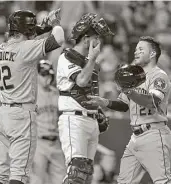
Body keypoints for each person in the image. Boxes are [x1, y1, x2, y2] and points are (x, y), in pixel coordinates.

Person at [83, 36, 171, 184]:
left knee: (162, 180)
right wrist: (104, 102)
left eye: (141, 49)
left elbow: (152, 102)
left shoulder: (159, 76)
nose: (136, 52)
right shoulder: (134, 76)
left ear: (152, 54)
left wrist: (128, 89)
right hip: (136, 136)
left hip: (155, 134)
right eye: (136, 49)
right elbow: (123, 105)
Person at [0, 9, 64, 184]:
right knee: (19, 173)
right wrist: (55, 24)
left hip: (4, 114)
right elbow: (58, 39)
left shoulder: (0, 48)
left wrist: (42, 26)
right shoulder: (25, 48)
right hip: (22, 115)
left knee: (1, 171)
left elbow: (26, 38)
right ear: (27, 30)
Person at [56, 13, 113, 184]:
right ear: (86, 39)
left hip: (90, 120)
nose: (99, 42)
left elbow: (88, 92)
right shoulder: (67, 57)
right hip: (73, 119)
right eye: (96, 37)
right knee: (76, 172)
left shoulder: (90, 62)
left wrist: (98, 110)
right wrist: (93, 58)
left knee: (87, 175)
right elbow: (81, 81)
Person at [30, 60, 66, 184]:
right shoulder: (31, 94)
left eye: (49, 75)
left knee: (62, 179)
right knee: (37, 180)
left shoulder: (56, 93)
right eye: (43, 74)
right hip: (39, 142)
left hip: (55, 142)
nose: (47, 78)